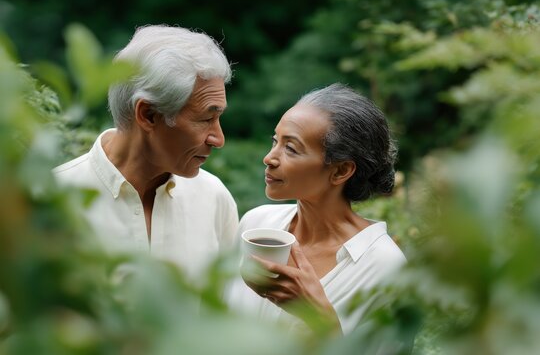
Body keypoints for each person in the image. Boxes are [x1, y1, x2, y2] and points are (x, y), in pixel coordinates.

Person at [53, 25, 238, 279]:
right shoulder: (52, 199)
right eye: (206, 119)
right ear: (148, 115)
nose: (219, 139)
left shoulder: (214, 199)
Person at [227, 83, 406, 335]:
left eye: (291, 148)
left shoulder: (385, 267)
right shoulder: (257, 225)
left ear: (341, 170)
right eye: (275, 141)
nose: (269, 158)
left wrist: (321, 320)